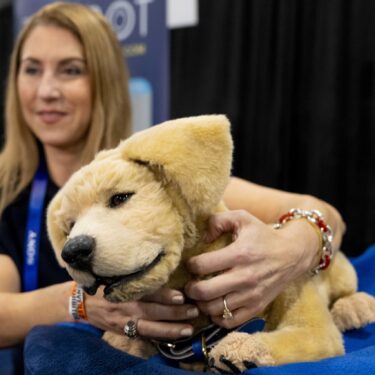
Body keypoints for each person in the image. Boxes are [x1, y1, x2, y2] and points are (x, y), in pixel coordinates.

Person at [0, 2, 345, 373]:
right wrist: (82, 302)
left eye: (70, 70)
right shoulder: (8, 191)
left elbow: (325, 215)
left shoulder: (153, 176)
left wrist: (288, 252)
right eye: (31, 69)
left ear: (105, 80)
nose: (47, 89)